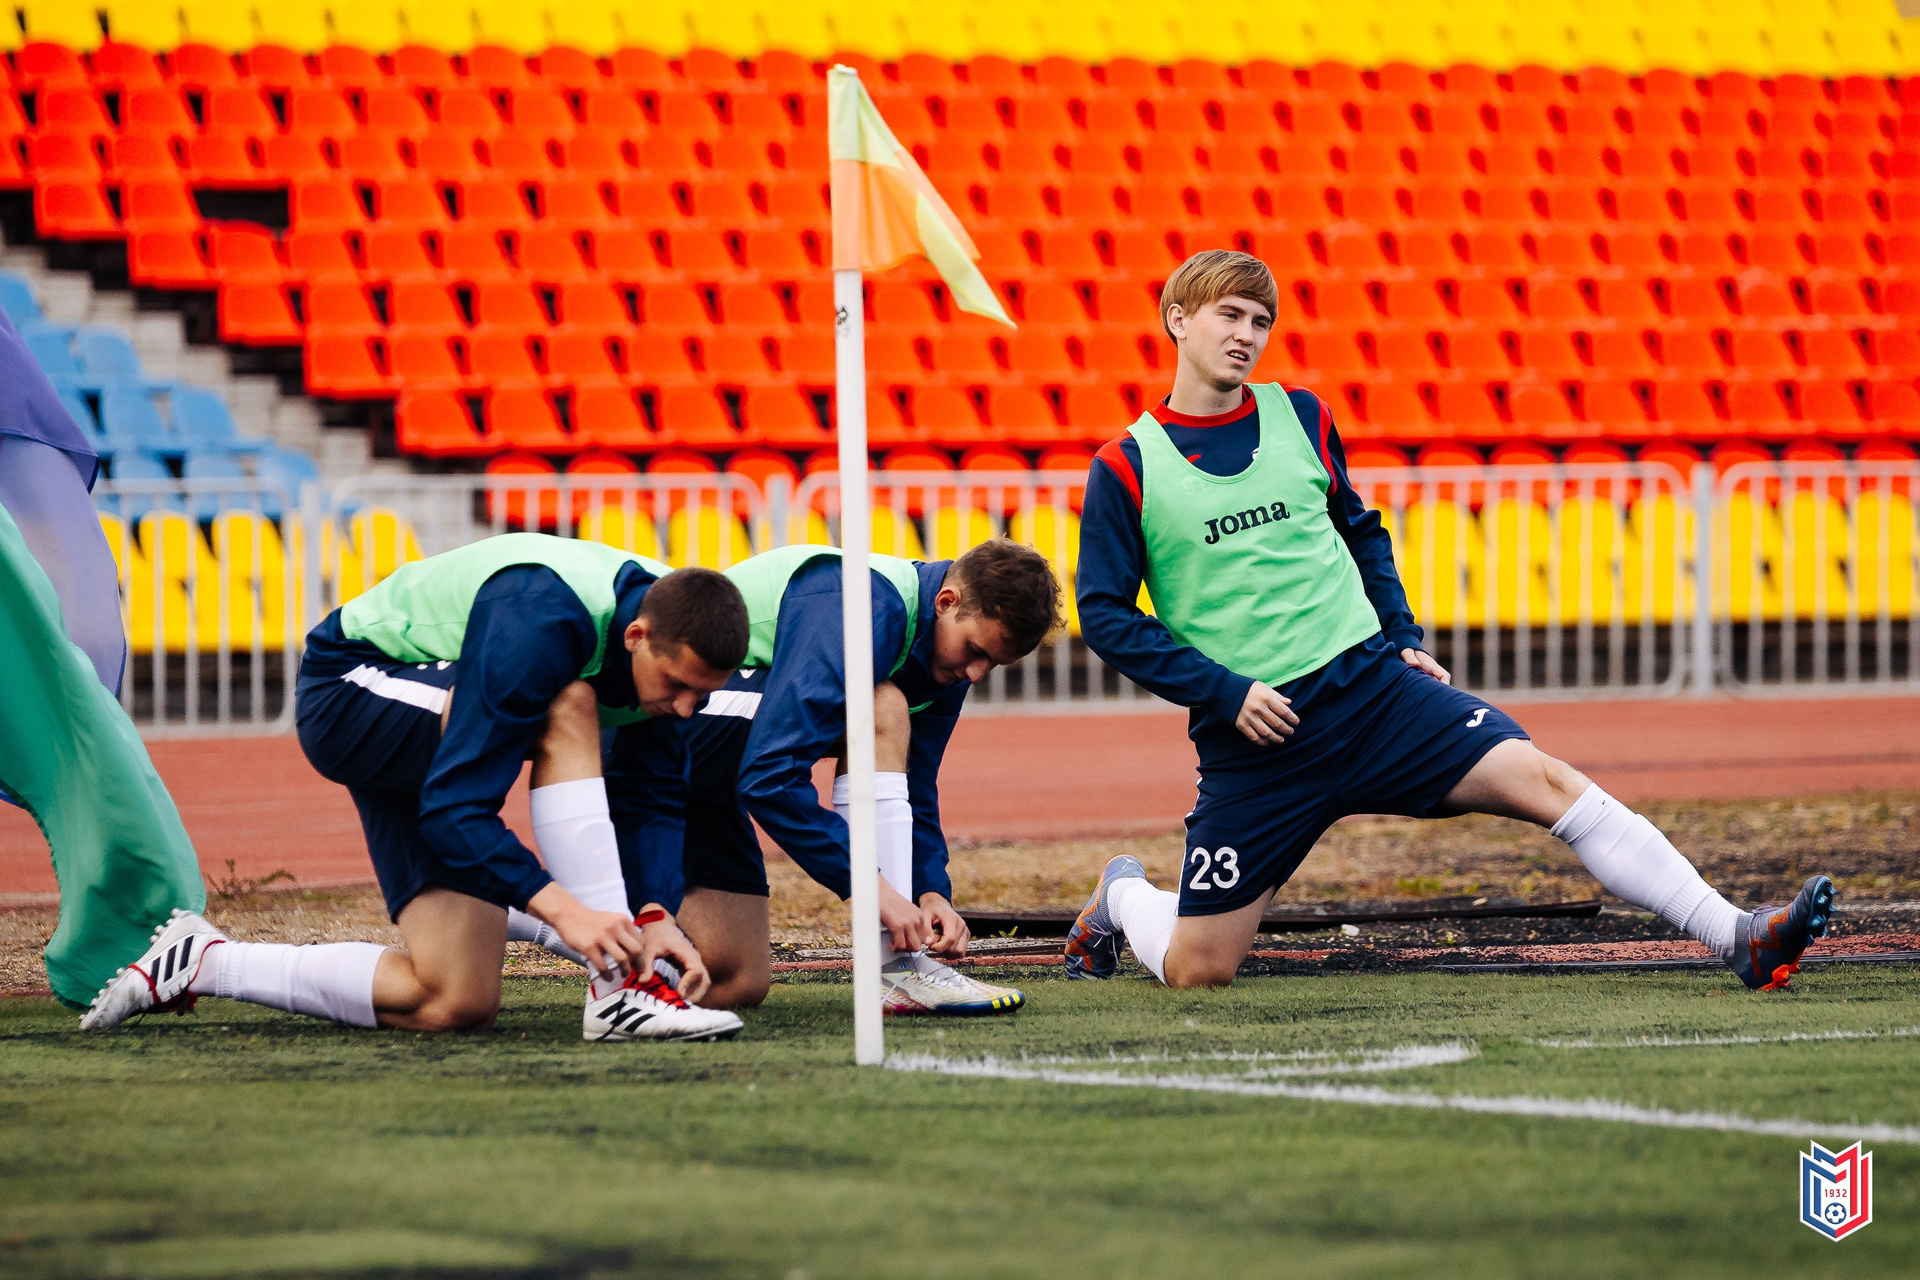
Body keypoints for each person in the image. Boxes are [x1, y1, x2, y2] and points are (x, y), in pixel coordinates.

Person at [1063, 250, 1834, 991]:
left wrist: (1402, 636)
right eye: (1229, 315)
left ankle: (1737, 934)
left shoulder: (1301, 415)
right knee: (1200, 969)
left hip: (1374, 696)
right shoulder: (1127, 464)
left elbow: (1361, 533)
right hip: (1261, 741)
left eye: (1260, 321)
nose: (1246, 335)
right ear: (1178, 318)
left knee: (1546, 779)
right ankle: (1122, 893)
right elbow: (1103, 614)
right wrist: (1224, 691)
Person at [82, 534, 752, 1042]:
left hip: (425, 718)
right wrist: (567, 912)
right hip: (349, 692)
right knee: (567, 704)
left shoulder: (667, 638)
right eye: (678, 686)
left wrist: (654, 914)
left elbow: (653, 797)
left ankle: (204, 961)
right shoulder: (543, 615)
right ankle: (622, 990)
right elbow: (456, 808)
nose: (687, 708)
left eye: (702, 694)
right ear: (636, 636)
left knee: (454, 1000)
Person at [608, 539, 1062, 1014]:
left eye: (992, 664)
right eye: (975, 651)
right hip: (652, 738)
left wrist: (930, 892)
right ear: (946, 602)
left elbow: (913, 786)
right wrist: (871, 886)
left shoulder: (946, 658)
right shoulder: (860, 604)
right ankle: (895, 967)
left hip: (706, 786)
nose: (975, 673)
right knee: (882, 704)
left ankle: (591, 941)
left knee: (737, 979)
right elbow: (769, 776)